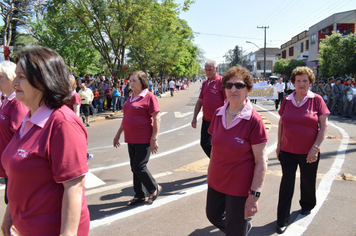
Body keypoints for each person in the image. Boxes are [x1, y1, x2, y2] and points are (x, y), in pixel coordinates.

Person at [0, 46, 89, 236]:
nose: (14, 82)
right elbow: (19, 178)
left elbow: (74, 187)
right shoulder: (29, 119)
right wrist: (9, 214)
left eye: (21, 77)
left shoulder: (62, 123)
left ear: (43, 80)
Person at [206, 66, 268, 236]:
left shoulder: (253, 120)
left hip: (239, 186)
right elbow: (215, 147)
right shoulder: (218, 113)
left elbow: (261, 160)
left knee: (234, 230)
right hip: (216, 181)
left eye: (239, 85)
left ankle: (239, 229)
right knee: (213, 215)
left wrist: (254, 195)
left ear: (248, 89)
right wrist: (210, 170)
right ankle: (241, 228)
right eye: (229, 85)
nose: (233, 89)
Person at [276, 66, 329, 234]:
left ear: (310, 82)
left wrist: (315, 148)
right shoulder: (286, 100)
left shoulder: (317, 100)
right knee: (286, 184)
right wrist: (278, 145)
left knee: (308, 180)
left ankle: (307, 205)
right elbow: (281, 123)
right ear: (293, 82)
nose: (301, 84)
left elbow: (324, 126)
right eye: (298, 81)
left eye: (305, 81)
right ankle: (282, 219)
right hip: (287, 150)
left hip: (309, 152)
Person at [113, 71, 162, 206]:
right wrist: (118, 134)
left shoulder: (149, 97)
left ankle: (154, 188)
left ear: (142, 82)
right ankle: (139, 195)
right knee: (134, 167)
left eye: (135, 80)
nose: (131, 83)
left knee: (139, 166)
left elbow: (156, 118)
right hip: (131, 138)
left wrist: (154, 138)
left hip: (143, 137)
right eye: (130, 80)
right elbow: (126, 117)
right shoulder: (130, 97)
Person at [0, 61, 28, 205]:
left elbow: (20, 135)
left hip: (13, 164)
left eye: (0, 76)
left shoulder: (17, 103)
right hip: (6, 163)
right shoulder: (5, 101)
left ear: (12, 78)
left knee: (13, 202)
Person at [191, 59, 226, 158]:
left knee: (215, 144)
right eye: (206, 70)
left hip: (218, 121)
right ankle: (218, 162)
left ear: (216, 69)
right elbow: (200, 101)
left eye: (210, 70)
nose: (208, 72)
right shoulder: (205, 83)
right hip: (206, 120)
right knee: (204, 143)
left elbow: (227, 101)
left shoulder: (222, 82)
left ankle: (219, 164)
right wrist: (194, 118)